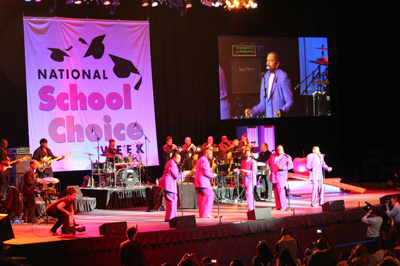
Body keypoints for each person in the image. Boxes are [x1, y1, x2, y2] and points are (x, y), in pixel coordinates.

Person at [245, 52, 293, 118]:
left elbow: (290, 101)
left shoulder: (283, 77)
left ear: (277, 64)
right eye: (267, 60)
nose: (268, 62)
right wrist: (252, 112)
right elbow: (263, 104)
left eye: (271, 60)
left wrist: (281, 111)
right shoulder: (265, 77)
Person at [159, 152, 189, 221]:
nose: (179, 160)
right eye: (178, 158)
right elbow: (176, 176)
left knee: (171, 201)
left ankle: (170, 218)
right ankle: (171, 219)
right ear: (174, 157)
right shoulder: (172, 163)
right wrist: (185, 173)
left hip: (169, 184)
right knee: (172, 201)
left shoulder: (172, 163)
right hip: (169, 185)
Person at [266, 145, 293, 211]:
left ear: (283, 150)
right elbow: (268, 161)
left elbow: (291, 166)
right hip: (273, 175)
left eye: (280, 150)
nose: (279, 151)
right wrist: (266, 165)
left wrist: (283, 167)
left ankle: (284, 206)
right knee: (275, 190)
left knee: (280, 190)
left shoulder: (286, 157)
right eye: (277, 150)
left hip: (281, 175)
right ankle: (278, 205)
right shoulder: (273, 155)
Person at [194, 150, 217, 218]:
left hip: (198, 182)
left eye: (211, 154)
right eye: (210, 153)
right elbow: (206, 173)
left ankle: (202, 214)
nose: (211, 155)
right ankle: (207, 214)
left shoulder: (200, 159)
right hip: (203, 182)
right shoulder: (205, 160)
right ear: (206, 154)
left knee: (202, 198)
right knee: (210, 195)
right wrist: (214, 175)